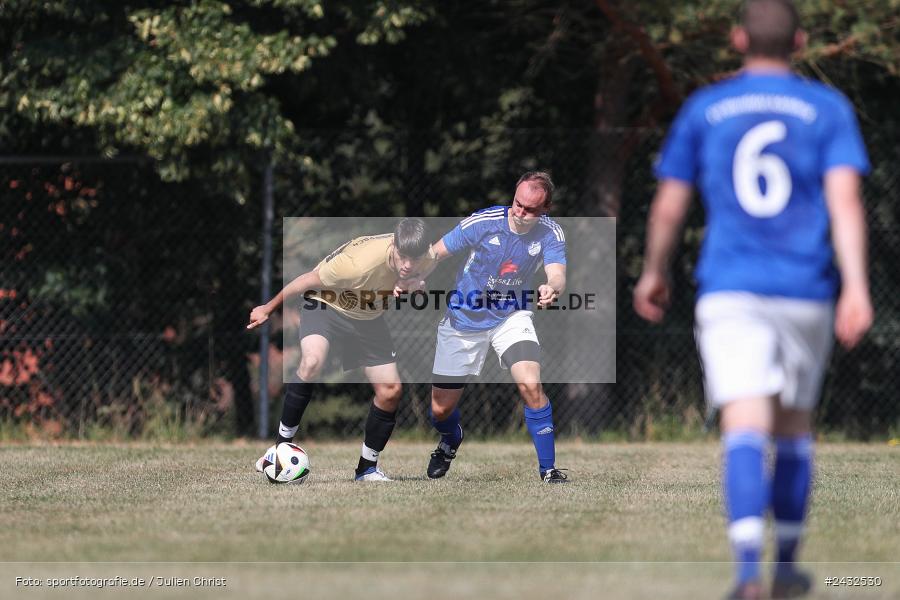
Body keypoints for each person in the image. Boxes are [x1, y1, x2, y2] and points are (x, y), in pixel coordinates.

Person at [633, 1, 872, 598]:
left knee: (744, 422)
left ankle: (746, 574)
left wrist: (653, 271)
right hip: (804, 288)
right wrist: (857, 288)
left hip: (730, 286)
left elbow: (669, 205)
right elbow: (845, 204)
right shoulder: (828, 108)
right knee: (793, 427)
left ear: (737, 38)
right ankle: (786, 565)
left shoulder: (706, 107)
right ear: (801, 39)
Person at [247, 218, 435, 481]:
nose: (407, 265)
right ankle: (279, 449)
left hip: (367, 315)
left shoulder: (426, 255)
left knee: (391, 391)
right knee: (312, 361)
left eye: (413, 260)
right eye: (402, 257)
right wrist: (268, 308)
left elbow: (421, 277)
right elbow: (306, 281)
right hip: (326, 302)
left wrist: (416, 283)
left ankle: (367, 469)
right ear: (393, 244)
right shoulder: (358, 264)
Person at [417, 171, 570, 483]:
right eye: (517, 204)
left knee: (530, 384)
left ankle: (549, 470)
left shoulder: (550, 233)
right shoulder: (483, 222)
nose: (521, 212)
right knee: (440, 411)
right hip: (463, 319)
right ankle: (450, 438)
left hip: (511, 317)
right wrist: (417, 275)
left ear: (545, 210)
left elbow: (557, 274)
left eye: (530, 209)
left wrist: (552, 287)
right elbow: (436, 252)